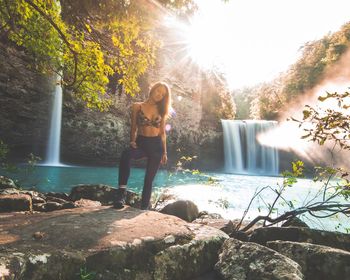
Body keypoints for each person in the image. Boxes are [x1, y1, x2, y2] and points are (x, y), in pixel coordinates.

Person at [114, 82, 171, 210]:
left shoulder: (162, 111)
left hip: (156, 146)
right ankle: (121, 194)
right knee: (126, 154)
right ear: (152, 89)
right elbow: (133, 127)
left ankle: (144, 207)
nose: (159, 95)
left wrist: (165, 152)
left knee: (148, 179)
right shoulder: (137, 106)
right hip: (141, 143)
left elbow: (162, 133)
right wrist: (132, 141)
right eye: (158, 91)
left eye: (163, 95)